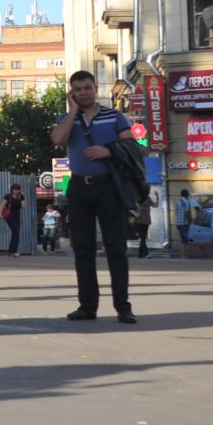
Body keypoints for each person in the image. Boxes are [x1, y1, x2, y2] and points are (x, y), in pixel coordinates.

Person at [51, 70, 138, 325]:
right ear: (72, 93)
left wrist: (107, 150)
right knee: (83, 249)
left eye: (87, 88)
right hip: (79, 188)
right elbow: (58, 139)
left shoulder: (114, 116)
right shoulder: (68, 118)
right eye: (77, 90)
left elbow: (132, 147)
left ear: (95, 88)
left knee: (116, 249)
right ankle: (87, 306)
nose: (83, 93)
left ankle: (123, 307)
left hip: (109, 188)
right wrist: (72, 111)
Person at [2, 183, 26, 256]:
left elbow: (23, 207)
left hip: (17, 216)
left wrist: (23, 197)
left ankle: (12, 251)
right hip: (9, 216)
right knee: (15, 231)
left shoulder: (20, 197)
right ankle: (12, 251)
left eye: (18, 189)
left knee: (16, 233)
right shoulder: (8, 196)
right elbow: (2, 204)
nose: (16, 191)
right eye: (15, 189)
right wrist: (0, 213)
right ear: (12, 189)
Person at [174, 189, 199, 254]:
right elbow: (187, 213)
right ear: (187, 195)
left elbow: (176, 212)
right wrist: (190, 222)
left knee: (183, 240)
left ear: (181, 195)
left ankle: (184, 255)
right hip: (184, 223)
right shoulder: (187, 202)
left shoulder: (177, 202)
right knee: (186, 241)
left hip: (178, 224)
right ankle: (185, 255)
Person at [133, 189, 154, 258]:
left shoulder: (145, 199)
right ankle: (146, 253)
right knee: (142, 237)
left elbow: (155, 205)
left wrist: (157, 197)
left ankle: (140, 254)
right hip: (140, 221)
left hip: (144, 221)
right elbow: (132, 209)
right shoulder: (138, 199)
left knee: (143, 238)